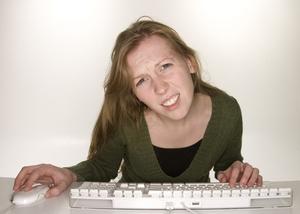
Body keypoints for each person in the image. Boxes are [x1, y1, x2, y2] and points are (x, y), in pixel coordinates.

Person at [13, 18, 263, 198]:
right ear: (134, 92)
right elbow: (102, 167)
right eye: (142, 80)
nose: (160, 88)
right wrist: (68, 173)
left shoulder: (227, 111)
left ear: (189, 63)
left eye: (165, 66)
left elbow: (227, 164)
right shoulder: (127, 120)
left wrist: (236, 171)